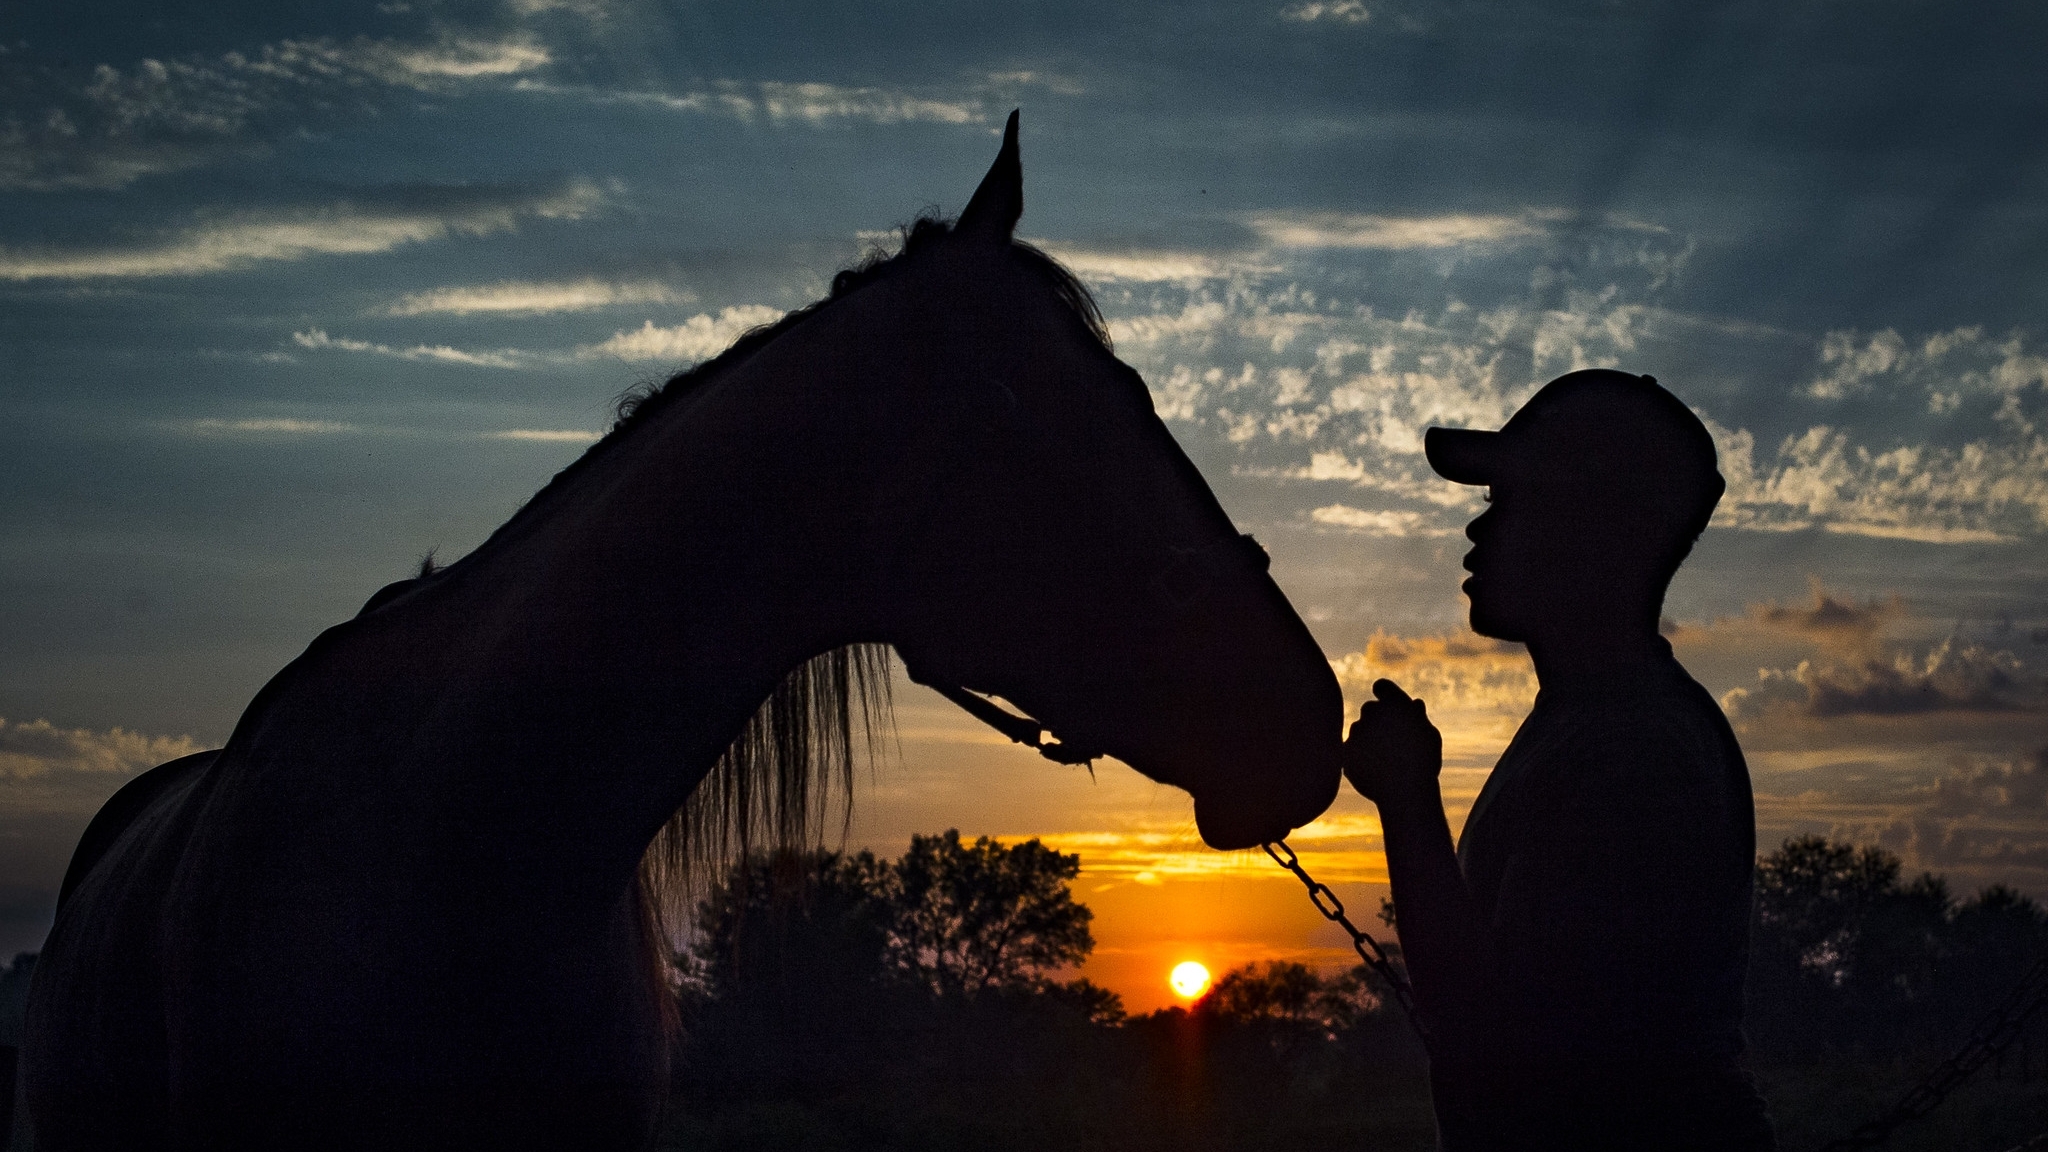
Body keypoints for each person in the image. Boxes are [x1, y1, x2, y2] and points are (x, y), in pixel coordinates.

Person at [1345, 369, 1775, 1150]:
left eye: (1510, 501)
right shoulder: (1592, 721)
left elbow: (1503, 1039)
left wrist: (1408, 801)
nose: (1478, 530)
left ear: (1595, 528)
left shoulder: (1632, 754)